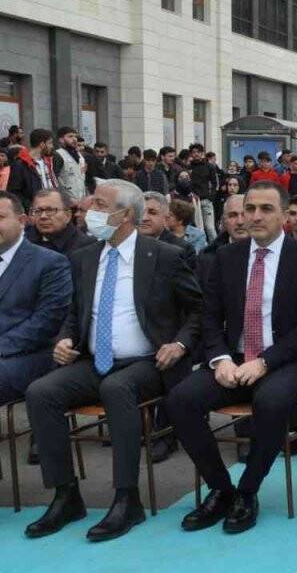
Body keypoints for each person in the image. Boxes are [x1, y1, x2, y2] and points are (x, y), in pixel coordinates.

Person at [22, 179, 201, 542]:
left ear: (124, 216)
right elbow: (74, 313)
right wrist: (64, 340)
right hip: (95, 359)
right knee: (41, 392)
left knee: (117, 388)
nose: (88, 213)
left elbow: (199, 309)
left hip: (148, 361)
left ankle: (126, 498)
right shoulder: (84, 257)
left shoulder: (163, 256)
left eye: (98, 206)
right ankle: (65, 494)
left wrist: (179, 345)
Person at [167, 180, 297, 535]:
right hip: (235, 358)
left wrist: (266, 361)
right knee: (180, 400)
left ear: (284, 216)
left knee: (271, 401)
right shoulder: (226, 257)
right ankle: (221, 489)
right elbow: (209, 317)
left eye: (266, 209)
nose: (254, 216)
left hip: (287, 358)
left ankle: (248, 490)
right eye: (249, 209)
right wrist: (220, 359)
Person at [0, 191, 73, 405]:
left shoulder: (50, 263)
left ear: (22, 221)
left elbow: (46, 321)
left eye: (0, 217)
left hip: (27, 355)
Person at [25, 189, 94, 256]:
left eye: (50, 210)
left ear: (68, 215)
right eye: (38, 211)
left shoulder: (86, 247)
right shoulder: (24, 241)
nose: (43, 216)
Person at [6, 128, 61, 206]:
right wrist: (31, 208)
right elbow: (14, 193)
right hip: (35, 212)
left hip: (51, 208)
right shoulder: (20, 165)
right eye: (50, 143)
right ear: (42, 144)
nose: (52, 146)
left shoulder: (49, 162)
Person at [53, 127, 86, 202]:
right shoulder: (58, 155)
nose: (74, 139)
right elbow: (55, 180)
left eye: (75, 136)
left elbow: (82, 179)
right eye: (70, 136)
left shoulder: (80, 157)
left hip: (80, 200)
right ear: (61, 139)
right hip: (66, 201)